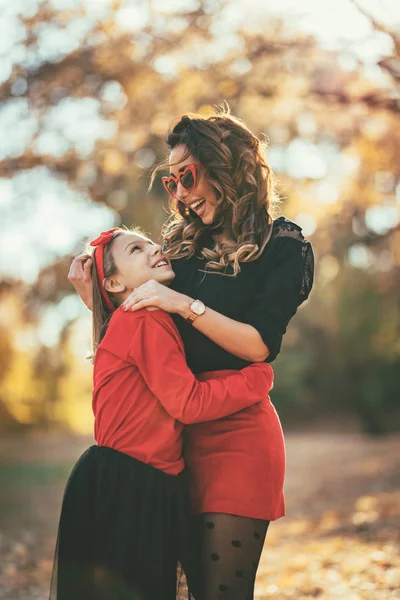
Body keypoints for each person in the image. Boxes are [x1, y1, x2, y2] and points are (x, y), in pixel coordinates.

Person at [69, 107, 314, 599]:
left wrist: (184, 303)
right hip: (170, 450)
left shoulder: (281, 244)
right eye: (170, 182)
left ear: (227, 168)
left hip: (237, 434)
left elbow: (259, 345)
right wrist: (97, 296)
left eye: (187, 177)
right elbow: (136, 340)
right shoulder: (179, 250)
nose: (178, 194)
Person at [52, 226, 275, 600]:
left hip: (135, 478)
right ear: (115, 283)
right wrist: (256, 379)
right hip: (133, 483)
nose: (155, 248)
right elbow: (187, 403)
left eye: (151, 243)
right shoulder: (143, 318)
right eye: (136, 249)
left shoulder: (134, 317)